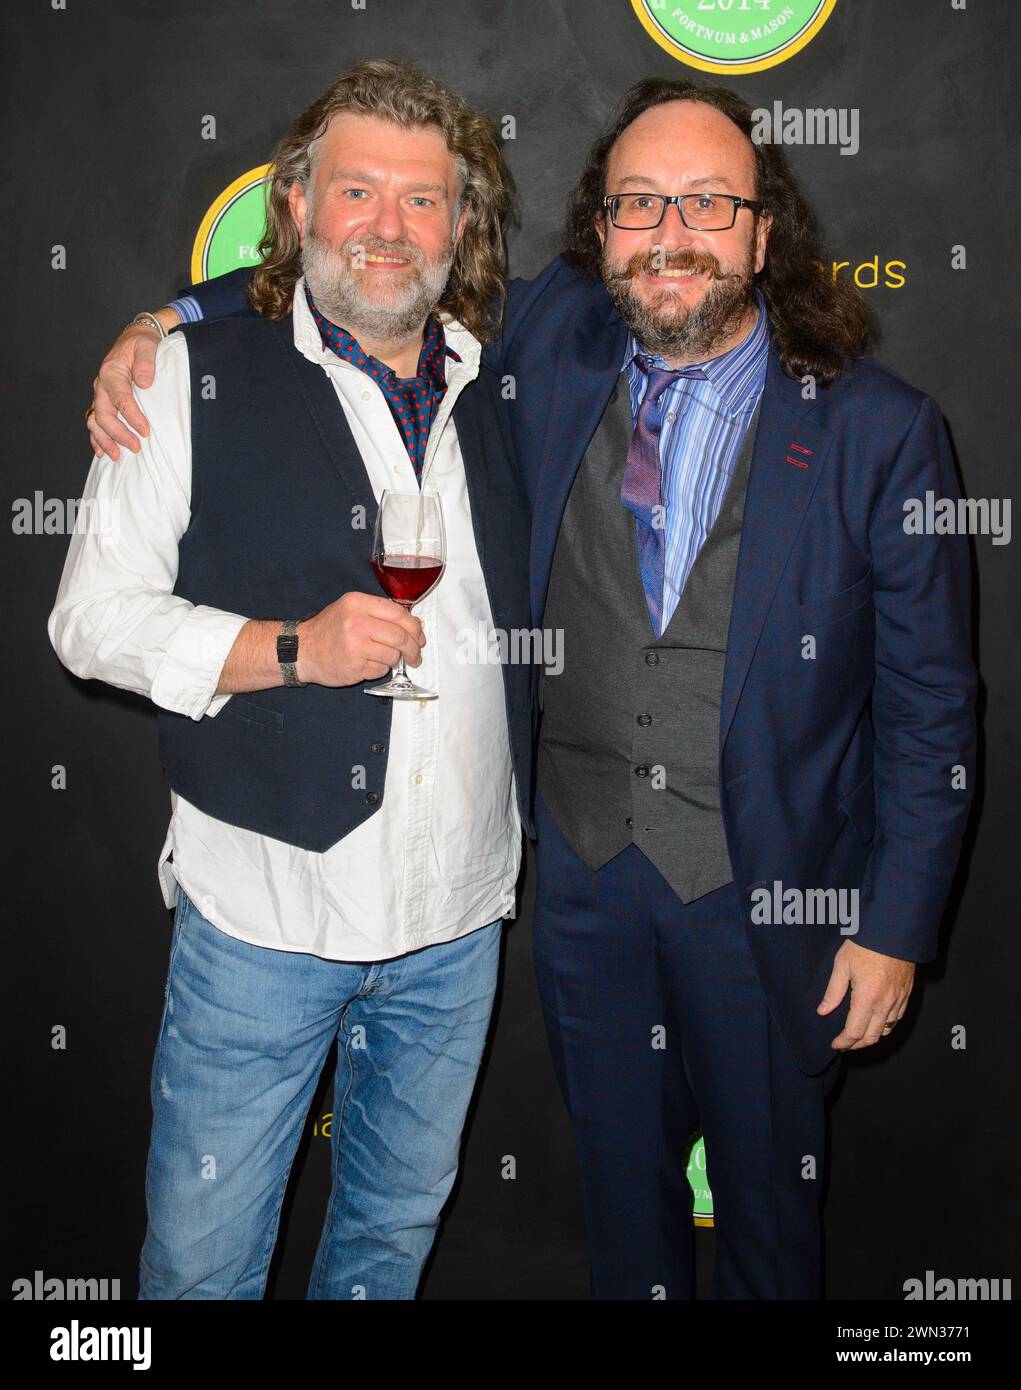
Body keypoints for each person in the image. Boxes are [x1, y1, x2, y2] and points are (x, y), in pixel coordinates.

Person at [84, 76, 977, 1300]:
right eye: (639, 204)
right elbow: (360, 277)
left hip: (769, 897)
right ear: (598, 233)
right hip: (586, 892)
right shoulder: (551, 342)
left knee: (770, 1229)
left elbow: (932, 709)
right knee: (625, 1221)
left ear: (765, 232)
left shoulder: (880, 432)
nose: (672, 234)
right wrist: (167, 313)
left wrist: (894, 924)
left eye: (709, 205)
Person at [50, 59, 533, 1300]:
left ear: (463, 223)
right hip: (265, 918)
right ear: (299, 204)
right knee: (202, 1271)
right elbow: (91, 622)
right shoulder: (183, 378)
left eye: (422, 200)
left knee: (384, 1250)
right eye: (355, 192)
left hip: (457, 919)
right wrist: (287, 651)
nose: (386, 228)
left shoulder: (506, 372)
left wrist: (174, 303)